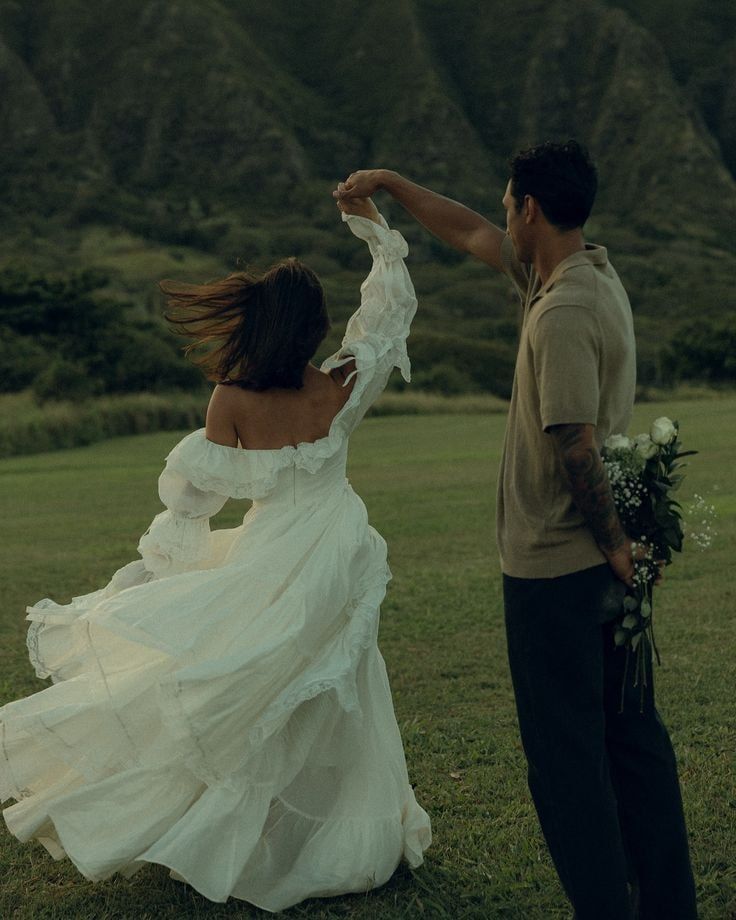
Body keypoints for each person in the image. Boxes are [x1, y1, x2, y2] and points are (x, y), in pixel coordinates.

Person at [0, 195, 431, 912]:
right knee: (329, 690)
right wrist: (377, 236)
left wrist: (161, 562)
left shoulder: (229, 399)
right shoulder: (339, 384)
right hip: (334, 549)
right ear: (315, 329)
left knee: (254, 686)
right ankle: (320, 838)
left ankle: (254, 833)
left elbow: (194, 501)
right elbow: (386, 321)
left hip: (272, 554)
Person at [335, 141, 698, 920]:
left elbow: (575, 442)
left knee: (567, 763)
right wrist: (394, 185)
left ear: (530, 207)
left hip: (559, 571)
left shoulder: (563, 310)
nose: (501, 214)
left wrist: (612, 547)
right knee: (633, 743)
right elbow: (467, 233)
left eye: (507, 203)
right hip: (595, 566)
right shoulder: (585, 272)